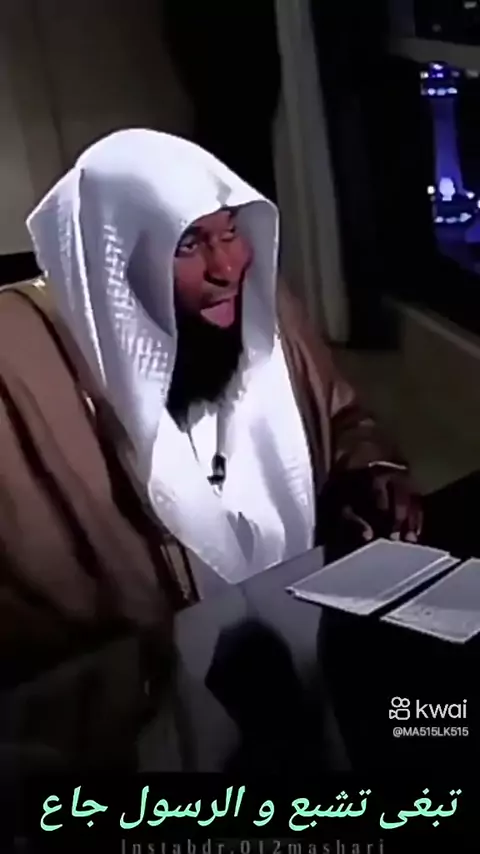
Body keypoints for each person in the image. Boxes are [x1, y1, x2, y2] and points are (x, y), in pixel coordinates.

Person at [0, 128, 421, 765]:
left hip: (305, 665)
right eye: (189, 243)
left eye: (230, 232)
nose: (227, 269)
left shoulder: (258, 310)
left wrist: (370, 472)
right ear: (115, 259)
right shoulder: (19, 367)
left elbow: (341, 419)